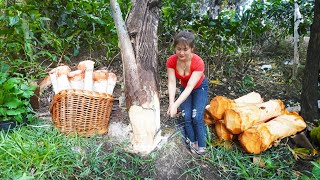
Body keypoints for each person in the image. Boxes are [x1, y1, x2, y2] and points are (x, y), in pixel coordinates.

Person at [166, 30, 209, 155]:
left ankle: (202, 146)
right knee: (186, 115)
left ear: (192, 49)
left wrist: (175, 105)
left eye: (185, 49)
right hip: (185, 88)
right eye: (178, 49)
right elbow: (172, 82)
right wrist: (171, 103)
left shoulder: (198, 62)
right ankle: (192, 142)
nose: (181, 52)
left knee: (196, 116)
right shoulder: (171, 61)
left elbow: (191, 86)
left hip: (199, 87)